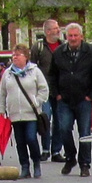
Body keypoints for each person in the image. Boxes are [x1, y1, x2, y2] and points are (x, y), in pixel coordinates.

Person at [49, 22, 92, 175]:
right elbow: (52, 75)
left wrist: (91, 95)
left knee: (85, 133)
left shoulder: (91, 52)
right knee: (64, 129)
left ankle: (85, 164)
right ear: (66, 37)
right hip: (64, 99)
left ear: (81, 36)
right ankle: (70, 157)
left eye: (75, 35)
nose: (72, 38)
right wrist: (56, 94)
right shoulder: (58, 52)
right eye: (70, 36)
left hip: (84, 99)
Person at [0, 44, 49, 177]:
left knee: (31, 138)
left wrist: (36, 101)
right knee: (20, 142)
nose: (15, 57)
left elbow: (44, 89)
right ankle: (24, 167)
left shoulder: (34, 71)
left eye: (18, 55)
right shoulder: (8, 73)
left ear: (26, 57)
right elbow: (2, 92)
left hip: (31, 113)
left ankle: (36, 163)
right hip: (14, 114)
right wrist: (1, 109)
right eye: (13, 55)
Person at [32, 19, 62, 158]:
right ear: (48, 31)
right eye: (56, 28)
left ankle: (56, 150)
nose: (58, 30)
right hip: (43, 89)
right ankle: (45, 149)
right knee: (45, 118)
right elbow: (32, 68)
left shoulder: (63, 46)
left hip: (60, 89)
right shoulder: (38, 47)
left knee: (59, 120)